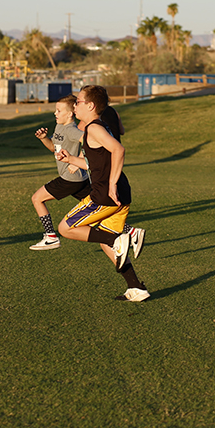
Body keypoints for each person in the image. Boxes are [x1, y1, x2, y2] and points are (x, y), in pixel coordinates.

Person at [56, 85, 149, 302]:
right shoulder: (98, 127)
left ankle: (126, 236)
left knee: (65, 228)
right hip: (120, 196)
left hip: (106, 195)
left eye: (78, 101)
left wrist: (112, 184)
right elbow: (95, 164)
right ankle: (136, 287)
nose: (75, 105)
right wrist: (70, 159)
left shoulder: (95, 129)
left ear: (90, 105)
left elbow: (119, 150)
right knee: (107, 245)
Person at [28, 95, 92, 250]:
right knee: (97, 209)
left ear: (70, 113)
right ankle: (128, 232)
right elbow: (53, 148)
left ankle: (50, 236)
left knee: (37, 198)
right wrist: (44, 139)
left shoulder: (71, 130)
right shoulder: (59, 127)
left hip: (70, 179)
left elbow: (92, 142)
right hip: (78, 180)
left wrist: (77, 162)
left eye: (58, 110)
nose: (55, 113)